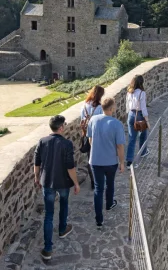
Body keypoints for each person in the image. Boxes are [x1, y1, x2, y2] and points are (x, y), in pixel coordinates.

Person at [34, 115, 80, 261]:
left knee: (48, 214)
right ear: (60, 128)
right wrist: (76, 183)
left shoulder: (42, 141)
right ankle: (62, 229)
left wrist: (36, 177)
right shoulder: (67, 144)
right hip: (63, 182)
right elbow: (70, 167)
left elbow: (37, 163)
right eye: (64, 125)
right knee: (64, 203)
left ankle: (48, 249)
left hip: (47, 182)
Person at [87, 96, 125, 229]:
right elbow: (120, 146)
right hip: (110, 161)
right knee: (110, 183)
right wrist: (122, 162)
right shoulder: (117, 124)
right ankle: (109, 204)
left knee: (98, 189)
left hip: (96, 160)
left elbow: (90, 140)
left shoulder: (93, 120)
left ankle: (99, 219)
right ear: (112, 108)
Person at [80, 85, 105, 190]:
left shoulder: (85, 105)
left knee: (90, 158)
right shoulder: (99, 107)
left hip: (86, 134)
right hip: (97, 136)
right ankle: (98, 180)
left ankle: (93, 181)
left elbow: (82, 120)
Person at [125, 74, 150, 167]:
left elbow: (127, 105)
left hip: (131, 114)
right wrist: (147, 120)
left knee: (132, 138)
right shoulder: (141, 93)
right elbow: (143, 108)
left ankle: (129, 161)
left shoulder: (129, 92)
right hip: (139, 115)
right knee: (143, 135)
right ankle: (143, 152)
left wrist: (129, 115)